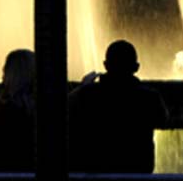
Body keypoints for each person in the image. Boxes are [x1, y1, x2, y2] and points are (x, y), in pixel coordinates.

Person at [68, 39, 168, 174]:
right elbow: (163, 120)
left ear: (105, 65)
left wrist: (81, 88)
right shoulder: (149, 97)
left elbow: (62, 110)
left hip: (98, 170)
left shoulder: (88, 94)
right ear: (136, 67)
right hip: (138, 170)